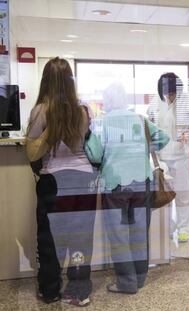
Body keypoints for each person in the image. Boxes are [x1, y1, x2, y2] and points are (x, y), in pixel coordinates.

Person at [26, 57, 97, 306]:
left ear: (46, 81)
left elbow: (32, 152)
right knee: (80, 238)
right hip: (84, 179)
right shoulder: (83, 110)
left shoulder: (41, 111)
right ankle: (78, 291)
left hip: (54, 181)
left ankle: (51, 290)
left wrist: (49, 129)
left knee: (49, 239)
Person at [93, 83, 169, 294]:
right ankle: (140, 278)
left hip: (116, 185)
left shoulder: (102, 122)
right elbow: (164, 138)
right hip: (141, 183)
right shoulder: (139, 119)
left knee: (119, 236)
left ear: (107, 101)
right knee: (139, 233)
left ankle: (127, 283)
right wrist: (144, 149)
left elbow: (94, 154)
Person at [147, 72, 189, 243]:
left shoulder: (187, 99)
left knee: (183, 193)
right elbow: (148, 121)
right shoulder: (156, 101)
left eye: (171, 93)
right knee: (163, 193)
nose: (168, 96)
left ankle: (184, 228)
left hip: (180, 155)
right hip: (161, 156)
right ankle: (169, 226)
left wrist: (188, 132)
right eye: (166, 93)